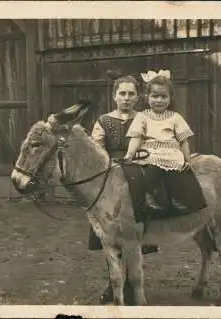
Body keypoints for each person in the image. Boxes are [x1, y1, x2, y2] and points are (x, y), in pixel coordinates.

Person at [88, 73, 158, 304]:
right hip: (110, 176)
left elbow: (152, 146)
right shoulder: (103, 121)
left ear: (138, 97)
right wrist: (110, 163)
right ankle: (113, 282)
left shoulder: (145, 118)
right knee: (109, 235)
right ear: (114, 96)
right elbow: (96, 150)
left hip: (138, 171)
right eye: (122, 94)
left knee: (134, 229)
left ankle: (131, 282)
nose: (126, 98)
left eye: (131, 94)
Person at [124, 69, 193, 211]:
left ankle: (175, 198)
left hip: (171, 153)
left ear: (170, 98)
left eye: (164, 96)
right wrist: (130, 154)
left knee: (175, 173)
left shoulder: (175, 117)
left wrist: (188, 159)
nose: (159, 100)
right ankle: (148, 197)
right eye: (155, 96)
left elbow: (183, 141)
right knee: (151, 171)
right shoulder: (143, 116)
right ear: (147, 97)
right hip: (151, 152)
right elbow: (136, 137)